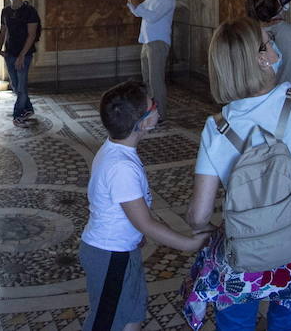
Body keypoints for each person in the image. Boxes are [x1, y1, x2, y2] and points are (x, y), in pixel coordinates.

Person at [182, 19, 291, 331]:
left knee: (235, 321)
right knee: (288, 317)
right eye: (268, 41)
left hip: (246, 243)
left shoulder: (216, 127)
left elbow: (198, 214)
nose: (275, 46)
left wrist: (212, 232)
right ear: (262, 57)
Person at [81, 80, 207, 331]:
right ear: (142, 122)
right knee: (106, 322)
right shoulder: (121, 167)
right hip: (110, 255)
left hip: (121, 250)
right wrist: (188, 243)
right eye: (153, 104)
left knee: (131, 313)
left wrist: (135, 235)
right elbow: (145, 222)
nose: (157, 106)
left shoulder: (117, 150)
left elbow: (131, 214)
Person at [125, 0, 176, 122]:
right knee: (147, 80)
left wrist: (137, 3)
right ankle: (149, 111)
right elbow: (140, 12)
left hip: (158, 42)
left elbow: (152, 17)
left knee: (156, 80)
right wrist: (131, 2)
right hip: (147, 41)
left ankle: (160, 114)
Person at [0, 0, 40, 127]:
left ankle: (18, 115)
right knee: (15, 85)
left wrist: (22, 55)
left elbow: (31, 35)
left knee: (21, 86)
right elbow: (3, 30)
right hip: (10, 52)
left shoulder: (29, 11)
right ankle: (28, 109)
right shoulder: (6, 11)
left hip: (24, 54)